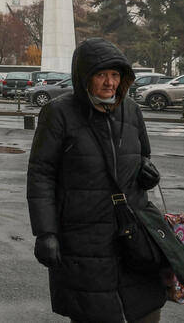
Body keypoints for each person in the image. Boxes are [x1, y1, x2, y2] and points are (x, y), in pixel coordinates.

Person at [26, 38, 165, 322]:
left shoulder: (132, 110)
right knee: (94, 312)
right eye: (101, 74)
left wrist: (148, 175)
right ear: (84, 77)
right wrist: (46, 233)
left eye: (115, 75)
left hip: (133, 234)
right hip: (83, 240)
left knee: (146, 310)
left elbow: (142, 158)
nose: (109, 83)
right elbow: (41, 174)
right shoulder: (58, 113)